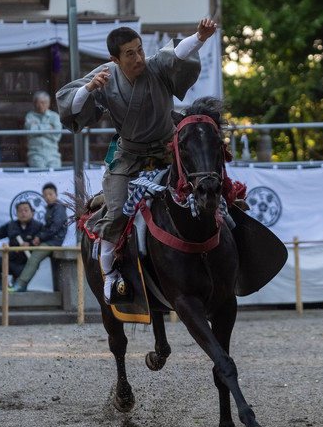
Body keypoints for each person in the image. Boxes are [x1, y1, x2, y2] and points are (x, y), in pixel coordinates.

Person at [56, 19, 215, 303]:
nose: (139, 57)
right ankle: (110, 275)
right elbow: (71, 104)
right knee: (116, 211)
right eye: (130, 54)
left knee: (210, 189)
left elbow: (177, 54)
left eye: (140, 50)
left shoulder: (156, 66)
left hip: (170, 152)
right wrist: (90, 88)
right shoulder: (105, 77)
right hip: (128, 159)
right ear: (114, 59)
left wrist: (200, 38)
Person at [10, 183, 68, 292]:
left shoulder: (58, 208)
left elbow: (54, 228)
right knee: (30, 257)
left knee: (34, 257)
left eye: (50, 194)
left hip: (53, 242)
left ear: (56, 194)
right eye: (45, 195)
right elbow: (49, 228)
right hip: (50, 240)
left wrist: (40, 238)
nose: (48, 197)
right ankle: (20, 284)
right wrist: (38, 238)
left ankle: (20, 285)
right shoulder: (51, 208)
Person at [0, 200, 43, 291]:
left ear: (32, 212)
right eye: (20, 211)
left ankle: (18, 285)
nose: (23, 213)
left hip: (27, 265)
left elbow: (45, 241)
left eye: (26, 210)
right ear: (16, 213)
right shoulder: (11, 225)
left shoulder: (39, 227)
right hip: (10, 261)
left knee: (19, 291)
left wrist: (30, 244)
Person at [24, 91, 63, 168]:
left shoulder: (55, 116)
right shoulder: (30, 116)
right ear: (34, 104)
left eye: (43, 102)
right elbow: (31, 132)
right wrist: (49, 128)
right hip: (36, 155)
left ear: (48, 104)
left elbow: (56, 136)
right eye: (38, 103)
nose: (40, 105)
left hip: (53, 155)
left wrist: (37, 127)